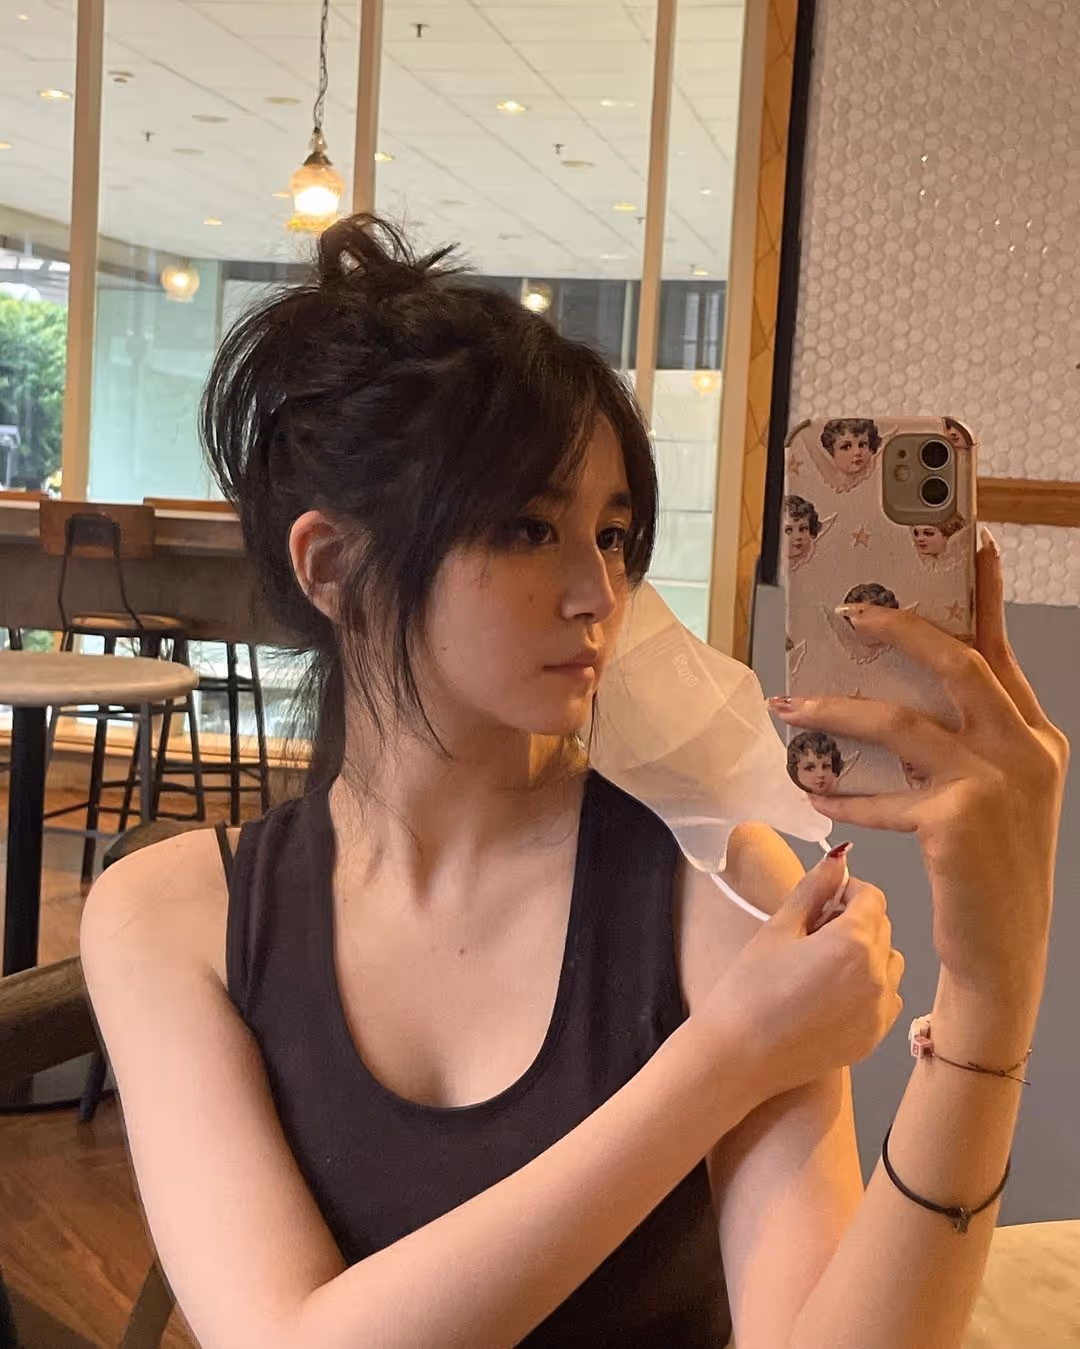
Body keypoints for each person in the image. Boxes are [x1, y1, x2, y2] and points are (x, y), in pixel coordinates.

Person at [81, 216, 1069, 1349]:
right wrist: (721, 1060)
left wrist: (994, 992)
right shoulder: (170, 917)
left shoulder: (712, 877)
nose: (599, 591)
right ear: (334, 565)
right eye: (526, 527)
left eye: (611, 532)